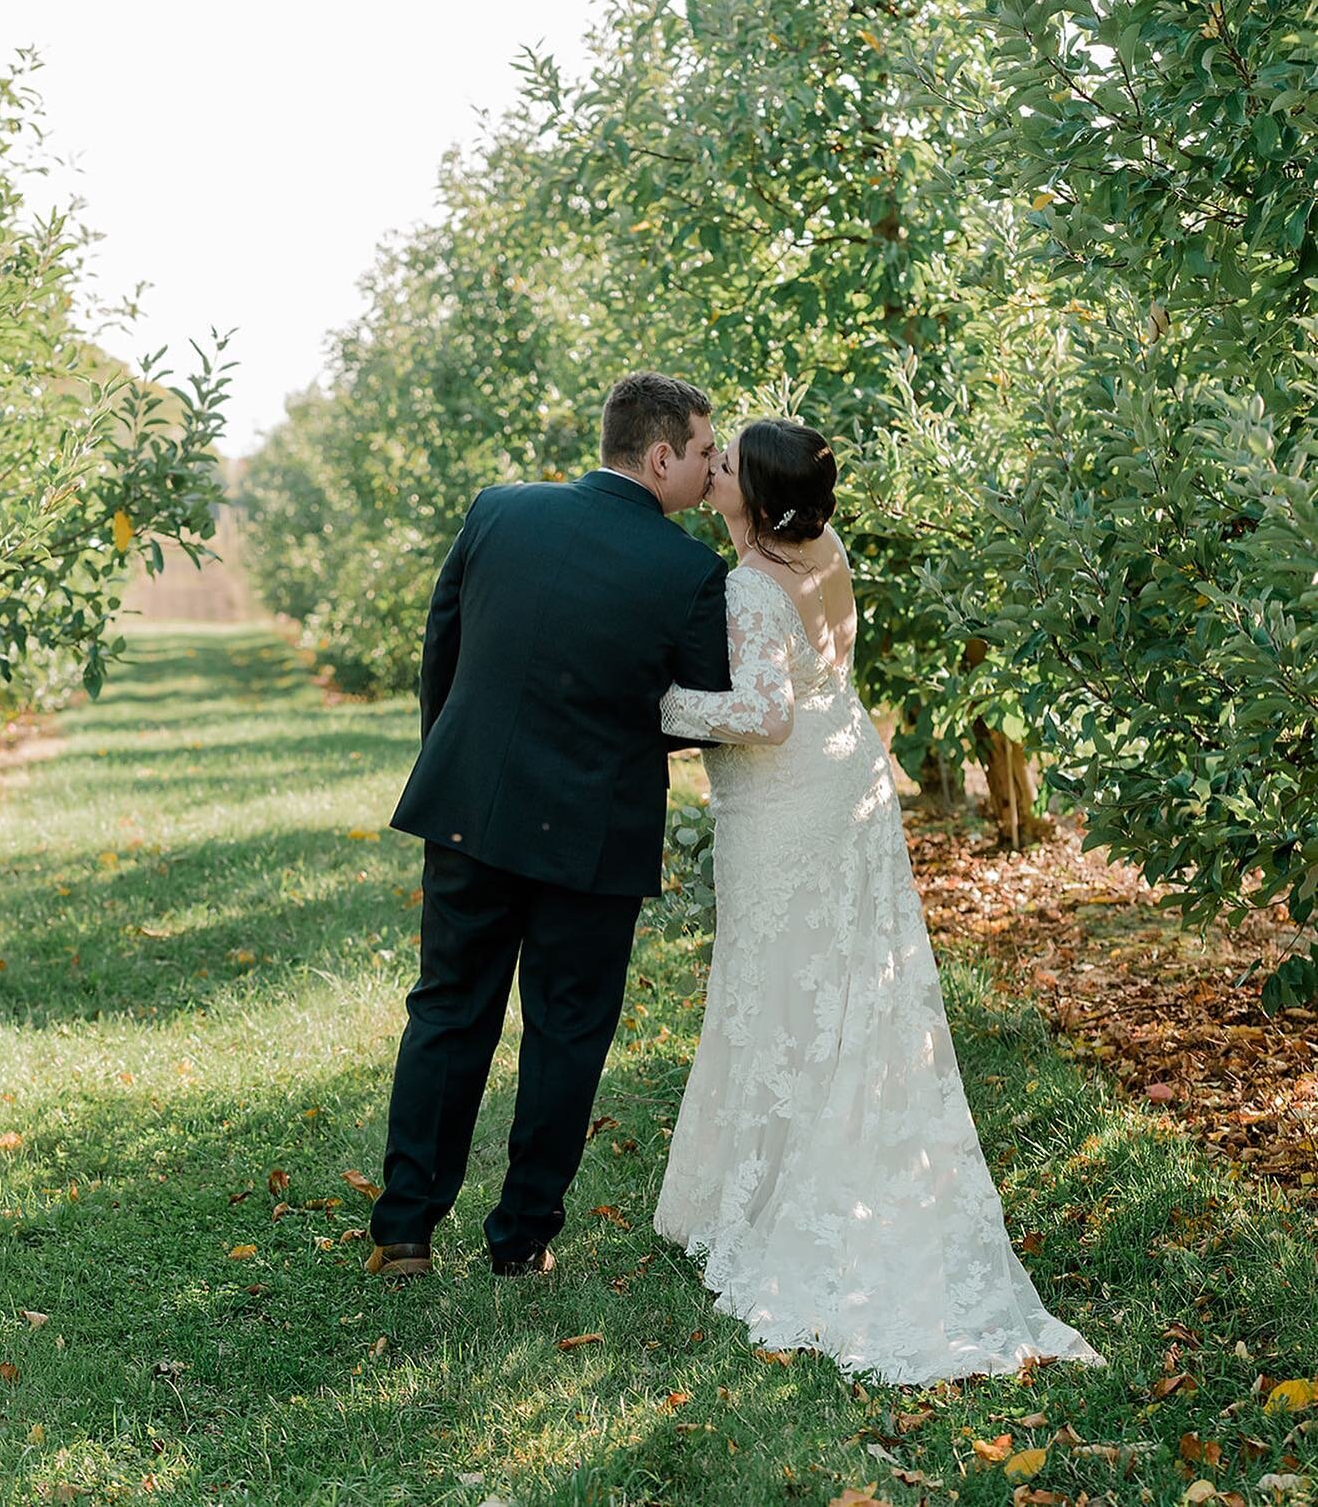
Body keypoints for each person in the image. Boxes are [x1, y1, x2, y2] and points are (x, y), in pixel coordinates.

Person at [656, 415, 1108, 1387]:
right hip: (847, 779)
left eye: (727, 463)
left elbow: (766, 716)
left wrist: (659, 704)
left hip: (789, 801)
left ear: (759, 493)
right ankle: (776, 1184)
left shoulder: (748, 583)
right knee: (841, 984)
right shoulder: (825, 551)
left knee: (782, 983)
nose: (714, 469)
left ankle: (786, 1207)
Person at [364, 371, 730, 1281]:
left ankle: (405, 1228)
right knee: (566, 1032)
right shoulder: (688, 571)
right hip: (593, 835)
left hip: (471, 812)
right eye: (701, 452)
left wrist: (459, 769)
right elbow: (699, 711)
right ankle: (521, 1239)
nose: (710, 466)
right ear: (659, 458)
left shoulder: (498, 509)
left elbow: (441, 650)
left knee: (447, 1011)